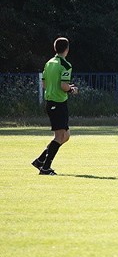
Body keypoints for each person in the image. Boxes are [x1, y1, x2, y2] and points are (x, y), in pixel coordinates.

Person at [32, 37, 79, 175]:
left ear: (55, 48)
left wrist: (60, 88)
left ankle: (40, 160)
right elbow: (63, 85)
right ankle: (46, 167)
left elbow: (44, 84)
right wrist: (71, 89)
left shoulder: (49, 63)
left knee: (66, 136)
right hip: (58, 103)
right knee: (59, 136)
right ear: (67, 49)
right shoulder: (65, 65)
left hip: (51, 102)